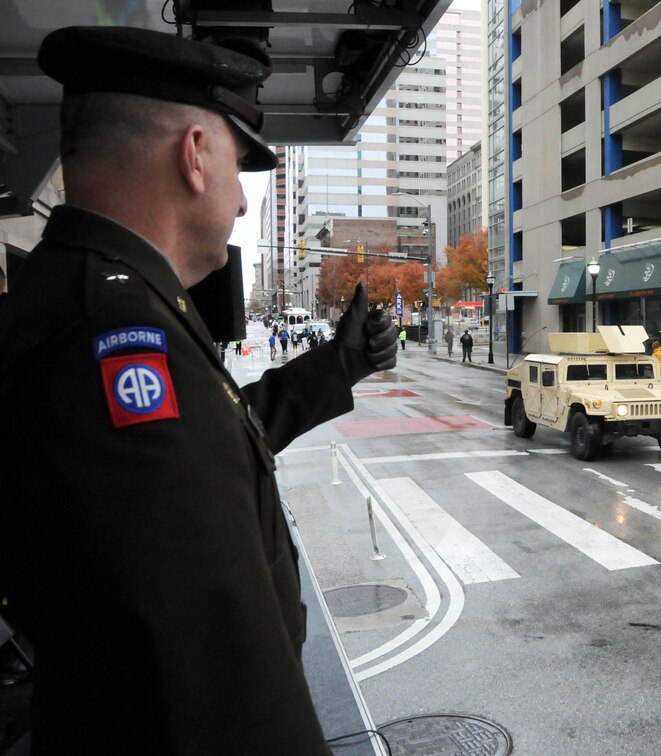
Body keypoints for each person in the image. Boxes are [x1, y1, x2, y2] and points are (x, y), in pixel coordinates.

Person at [0, 26, 398, 753]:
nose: (244, 205)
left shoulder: (93, 298)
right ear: (194, 155)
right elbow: (223, 684)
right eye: (238, 167)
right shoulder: (113, 335)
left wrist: (333, 369)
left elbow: (207, 443)